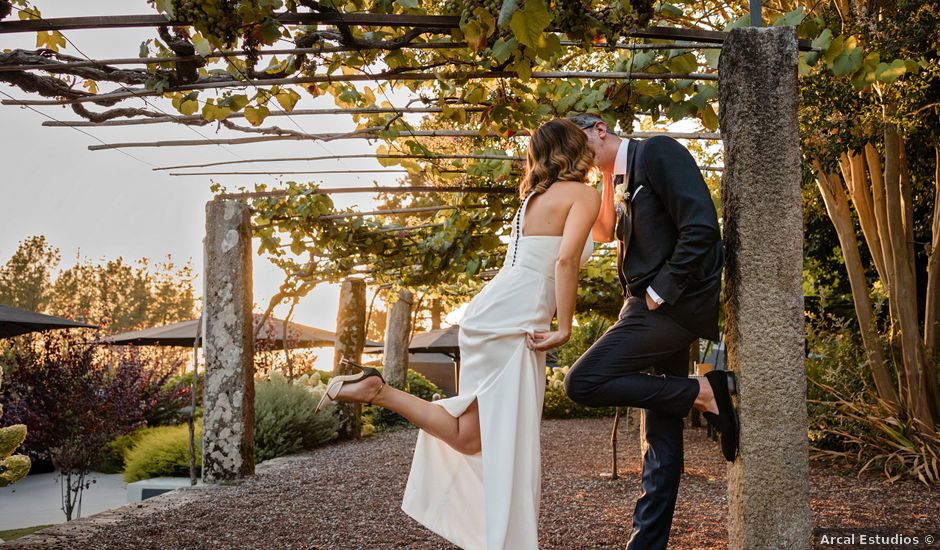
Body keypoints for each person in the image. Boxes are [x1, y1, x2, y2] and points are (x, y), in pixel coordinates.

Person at [316, 118, 601, 549]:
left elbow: (593, 234)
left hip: (491, 311)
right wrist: (564, 327)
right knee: (506, 439)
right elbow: (566, 261)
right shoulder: (582, 194)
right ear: (578, 148)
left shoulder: (532, 200)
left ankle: (379, 391)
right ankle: (508, 540)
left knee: (471, 438)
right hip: (518, 322)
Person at [551, 112, 737, 550]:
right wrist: (595, 177)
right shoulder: (614, 179)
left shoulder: (656, 151)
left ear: (600, 128)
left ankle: (705, 392)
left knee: (582, 381)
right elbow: (599, 230)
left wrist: (659, 292)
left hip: (668, 307)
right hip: (648, 308)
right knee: (660, 439)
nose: (574, 157)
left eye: (579, 144)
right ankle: (647, 545)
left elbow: (702, 228)